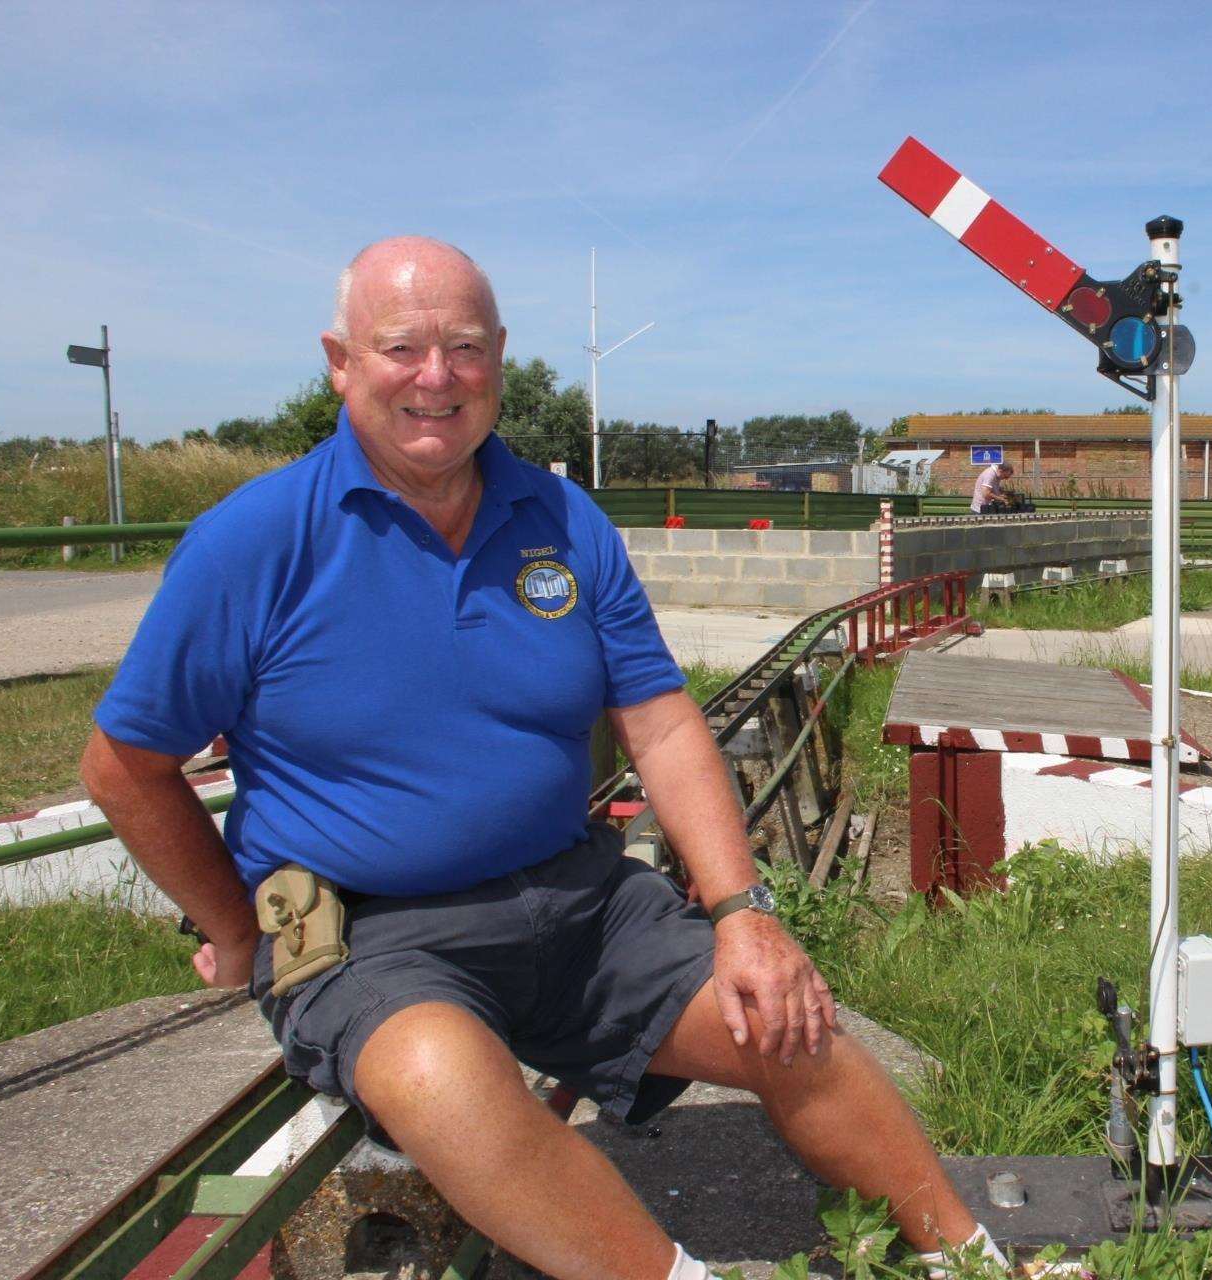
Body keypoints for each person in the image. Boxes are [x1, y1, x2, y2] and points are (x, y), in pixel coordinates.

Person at [79, 237, 1005, 1280]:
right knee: (437, 1073)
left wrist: (744, 911)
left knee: (784, 1019)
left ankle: (969, 1260)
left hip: (571, 894)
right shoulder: (253, 541)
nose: (437, 378)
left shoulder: (563, 522)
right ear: (340, 361)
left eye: (465, 347)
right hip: (360, 927)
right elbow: (123, 765)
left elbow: (658, 723)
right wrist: (235, 925)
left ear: (501, 358)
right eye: (401, 347)